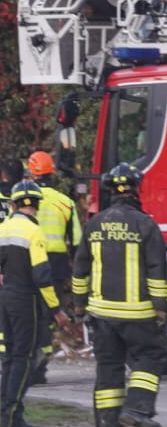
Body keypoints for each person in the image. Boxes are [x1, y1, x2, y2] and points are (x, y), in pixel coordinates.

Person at [70, 162, 167, 427]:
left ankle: (108, 426)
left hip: (102, 314)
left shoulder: (95, 224)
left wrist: (79, 306)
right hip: (138, 313)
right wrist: (161, 309)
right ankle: (136, 410)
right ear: (136, 189)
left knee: (108, 367)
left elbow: (80, 270)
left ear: (110, 191)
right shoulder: (146, 225)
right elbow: (157, 272)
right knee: (149, 358)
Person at [0, 181, 69, 427]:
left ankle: (6, 414)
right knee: (25, 358)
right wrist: (56, 310)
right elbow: (41, 275)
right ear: (36, 205)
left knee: (9, 357)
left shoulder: (3, 228)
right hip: (24, 299)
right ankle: (12, 418)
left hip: (4, 299)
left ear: (14, 204)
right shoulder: (33, 232)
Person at [25, 150, 81, 383]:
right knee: (49, 316)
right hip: (56, 266)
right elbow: (78, 241)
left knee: (28, 315)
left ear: (31, 172)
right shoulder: (65, 202)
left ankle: (25, 365)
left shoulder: (22, 199)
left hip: (28, 263)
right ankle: (40, 368)